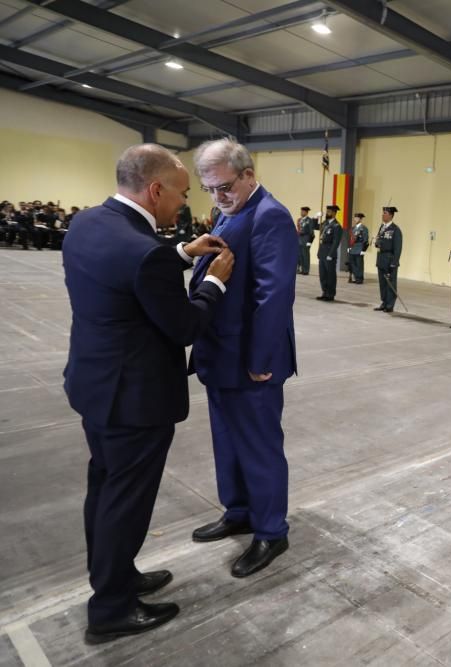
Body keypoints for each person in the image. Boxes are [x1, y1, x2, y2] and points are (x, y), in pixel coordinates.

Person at [62, 144, 233, 644]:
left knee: (104, 488)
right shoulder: (144, 253)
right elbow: (184, 326)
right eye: (181, 193)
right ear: (156, 190)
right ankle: (111, 609)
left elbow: (129, 274)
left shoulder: (89, 224)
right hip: (134, 399)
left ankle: (114, 576)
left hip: (94, 388)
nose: (184, 203)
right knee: (126, 502)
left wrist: (179, 255)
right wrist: (214, 285)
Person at [188, 138, 298, 577]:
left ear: (249, 174)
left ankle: (271, 530)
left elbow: (272, 297)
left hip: (252, 361)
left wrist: (259, 358)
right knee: (227, 441)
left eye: (225, 187)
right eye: (210, 189)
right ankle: (238, 510)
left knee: (259, 446)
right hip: (220, 356)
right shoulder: (230, 211)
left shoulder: (269, 216)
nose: (218, 197)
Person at [374, 206, 403, 312]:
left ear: (391, 215)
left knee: (390, 283)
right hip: (381, 258)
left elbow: (398, 248)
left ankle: (390, 305)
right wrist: (376, 243)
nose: (383, 215)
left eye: (385, 213)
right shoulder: (382, 227)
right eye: (383, 213)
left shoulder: (395, 229)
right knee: (382, 283)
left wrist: (394, 262)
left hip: (390, 259)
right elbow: (379, 241)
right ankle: (384, 302)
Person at [316, 204, 343, 301]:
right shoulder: (325, 223)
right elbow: (315, 227)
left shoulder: (337, 226)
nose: (327, 213)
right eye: (327, 211)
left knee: (330, 275)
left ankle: (330, 294)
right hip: (322, 252)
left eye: (329, 211)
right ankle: (324, 292)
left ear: (334, 213)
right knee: (322, 274)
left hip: (329, 253)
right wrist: (316, 218)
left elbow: (336, 242)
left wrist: (331, 254)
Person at [347, 212, 369, 284]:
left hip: (359, 247)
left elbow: (365, 240)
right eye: (355, 218)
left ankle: (359, 279)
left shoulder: (364, 228)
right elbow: (350, 239)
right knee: (352, 263)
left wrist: (363, 249)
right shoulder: (353, 228)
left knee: (359, 264)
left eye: (357, 218)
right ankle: (356, 277)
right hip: (353, 248)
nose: (355, 219)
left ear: (361, 219)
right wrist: (349, 247)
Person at [296, 206, 315, 275]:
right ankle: (301, 269)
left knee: (305, 255)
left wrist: (310, 242)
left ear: (306, 212)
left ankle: (306, 270)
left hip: (306, 239)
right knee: (300, 255)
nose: (301, 212)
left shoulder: (309, 220)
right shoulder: (299, 220)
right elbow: (298, 230)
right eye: (301, 211)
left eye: (303, 211)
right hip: (299, 239)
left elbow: (311, 232)